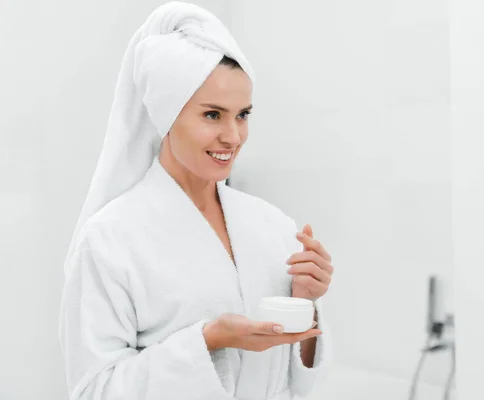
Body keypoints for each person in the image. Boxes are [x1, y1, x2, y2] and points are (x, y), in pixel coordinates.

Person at [58, 3, 333, 400]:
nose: (233, 136)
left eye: (242, 115)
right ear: (167, 115)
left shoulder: (272, 225)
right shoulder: (110, 239)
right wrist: (208, 340)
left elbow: (300, 380)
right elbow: (93, 390)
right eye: (212, 115)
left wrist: (305, 300)